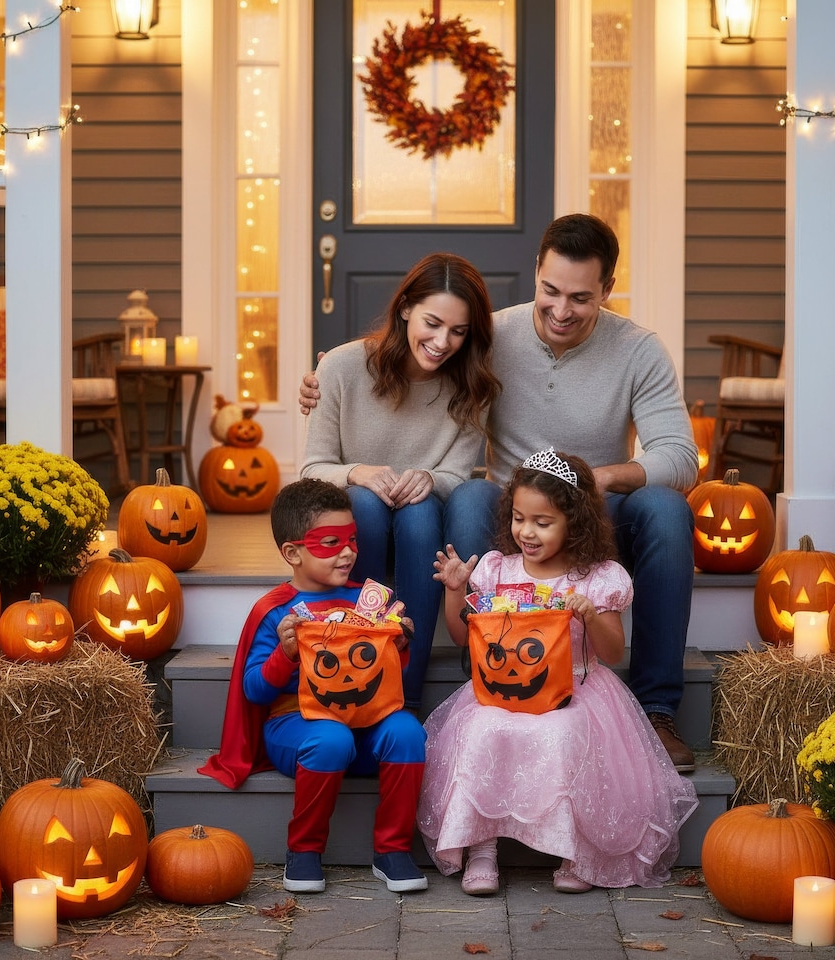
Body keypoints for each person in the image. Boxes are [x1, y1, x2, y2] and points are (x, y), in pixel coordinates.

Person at [300, 214, 699, 770]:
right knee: (468, 498)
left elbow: (681, 458)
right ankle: (486, 676)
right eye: (550, 291)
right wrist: (327, 376)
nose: (561, 310)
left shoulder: (639, 350)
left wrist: (597, 478)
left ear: (607, 290)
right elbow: (409, 358)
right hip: (512, 509)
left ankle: (656, 707)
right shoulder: (485, 336)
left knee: (666, 507)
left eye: (581, 298)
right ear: (536, 272)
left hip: (596, 509)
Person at [420, 449, 699, 895]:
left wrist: (591, 615)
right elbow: (461, 636)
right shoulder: (498, 570)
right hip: (503, 688)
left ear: (574, 522)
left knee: (565, 733)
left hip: (575, 685)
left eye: (542, 522)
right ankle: (482, 849)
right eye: (518, 518)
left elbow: (610, 652)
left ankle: (575, 854)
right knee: (482, 730)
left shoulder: (594, 577)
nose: (526, 532)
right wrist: (456, 592)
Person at [199, 478, 429, 895]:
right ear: (292, 552)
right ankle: (303, 850)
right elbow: (254, 691)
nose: (348, 552)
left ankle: (393, 849)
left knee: (408, 731)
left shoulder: (369, 601)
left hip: (366, 724)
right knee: (329, 738)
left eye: (353, 540)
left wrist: (398, 644)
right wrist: (284, 653)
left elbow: (386, 676)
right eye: (330, 542)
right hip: (297, 725)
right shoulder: (275, 611)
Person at [299, 252, 501, 713]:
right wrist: (359, 472)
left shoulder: (471, 386)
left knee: (421, 509)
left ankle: (403, 695)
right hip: (361, 521)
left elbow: (457, 472)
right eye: (432, 322)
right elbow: (313, 467)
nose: (442, 341)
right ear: (406, 307)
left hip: (422, 525)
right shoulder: (342, 367)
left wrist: (428, 477)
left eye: (458, 331)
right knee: (365, 504)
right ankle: (357, 669)